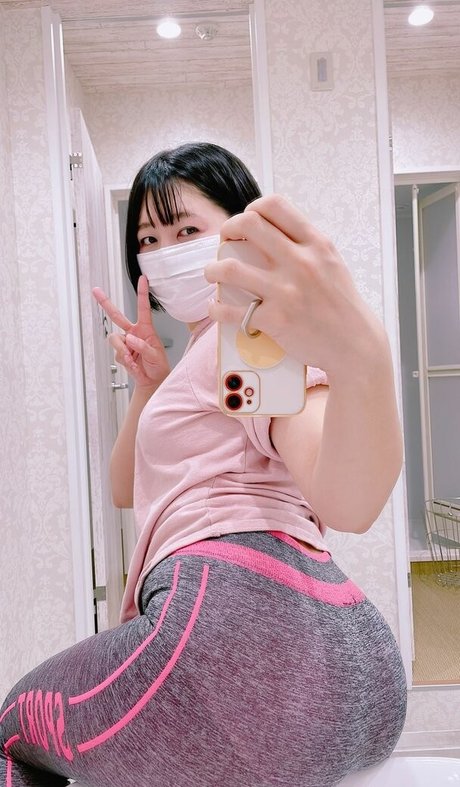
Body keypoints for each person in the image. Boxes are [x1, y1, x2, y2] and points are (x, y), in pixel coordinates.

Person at [0, 142, 407, 787]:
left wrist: (362, 354)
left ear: (242, 228)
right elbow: (125, 488)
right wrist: (149, 387)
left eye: (187, 231)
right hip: (358, 668)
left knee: (11, 730)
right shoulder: (203, 354)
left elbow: (348, 499)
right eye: (149, 239)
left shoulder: (246, 340)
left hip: (228, 628)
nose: (166, 253)